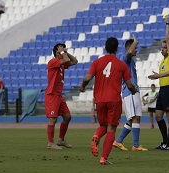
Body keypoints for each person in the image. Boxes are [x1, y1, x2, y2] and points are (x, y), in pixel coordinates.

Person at [79, 37, 137, 165]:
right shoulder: (121, 64)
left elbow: (88, 77)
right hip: (114, 100)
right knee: (111, 129)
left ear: (106, 48)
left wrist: (83, 85)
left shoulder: (97, 62)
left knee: (103, 126)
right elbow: (129, 84)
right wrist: (134, 91)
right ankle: (103, 158)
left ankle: (96, 136)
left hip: (99, 100)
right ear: (117, 49)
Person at [113, 36, 148, 152]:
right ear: (129, 48)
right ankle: (136, 145)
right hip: (130, 91)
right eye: (135, 48)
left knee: (132, 119)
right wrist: (135, 42)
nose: (136, 50)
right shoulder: (125, 58)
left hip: (133, 91)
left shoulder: (131, 61)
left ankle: (118, 141)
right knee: (135, 117)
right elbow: (128, 53)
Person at [45, 43, 78, 150]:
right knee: (53, 119)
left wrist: (66, 52)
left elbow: (75, 61)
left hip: (58, 95)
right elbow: (65, 60)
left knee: (67, 117)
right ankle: (50, 143)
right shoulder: (53, 62)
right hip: (52, 94)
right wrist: (62, 53)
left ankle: (61, 140)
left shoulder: (62, 64)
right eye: (61, 50)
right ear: (56, 52)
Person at [153, 15, 169, 150]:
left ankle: (168, 144)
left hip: (168, 89)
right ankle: (165, 141)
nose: (162, 49)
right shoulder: (162, 61)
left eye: (164, 47)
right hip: (162, 90)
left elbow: (168, 39)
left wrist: (168, 23)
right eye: (162, 47)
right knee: (158, 116)